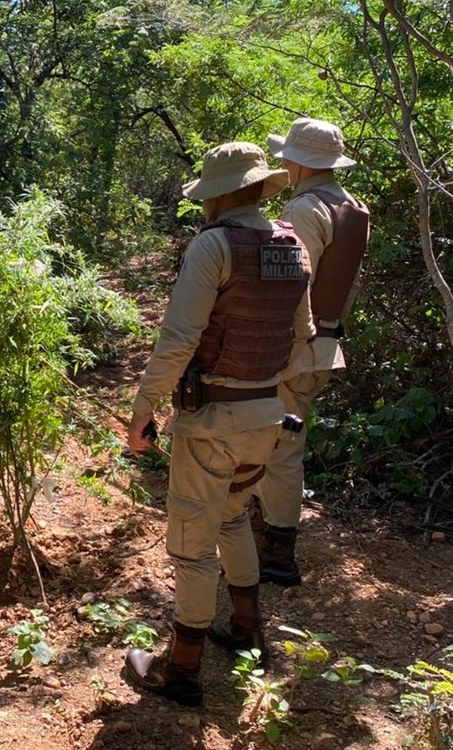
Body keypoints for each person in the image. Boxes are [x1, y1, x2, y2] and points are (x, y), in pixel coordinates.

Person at [123, 142, 315, 707]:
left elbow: (179, 338)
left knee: (191, 547)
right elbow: (301, 335)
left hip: (212, 422)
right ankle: (248, 631)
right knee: (234, 520)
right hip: (265, 418)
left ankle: (179, 672)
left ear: (224, 192)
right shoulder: (293, 245)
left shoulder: (214, 247)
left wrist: (143, 410)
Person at [251, 118, 370, 586]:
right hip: (325, 342)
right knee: (282, 439)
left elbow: (291, 288)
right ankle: (267, 532)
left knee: (279, 446)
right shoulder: (352, 207)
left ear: (299, 162)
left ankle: (277, 552)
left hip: (296, 347)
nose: (281, 161)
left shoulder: (304, 209)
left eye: (286, 156)